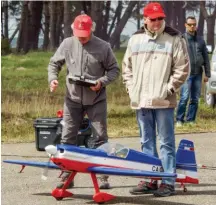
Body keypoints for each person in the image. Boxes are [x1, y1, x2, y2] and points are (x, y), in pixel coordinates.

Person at [122, 2, 190, 197]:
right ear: (145, 19)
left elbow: (183, 68)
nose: (157, 22)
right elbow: (127, 68)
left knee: (166, 142)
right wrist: (131, 89)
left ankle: (168, 181)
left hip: (163, 101)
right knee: (146, 142)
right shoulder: (135, 39)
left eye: (160, 18)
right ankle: (150, 180)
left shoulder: (174, 38)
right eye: (153, 19)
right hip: (141, 100)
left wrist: (168, 89)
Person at [48, 14, 119, 189]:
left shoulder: (103, 47)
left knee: (100, 137)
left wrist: (101, 82)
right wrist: (53, 79)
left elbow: (114, 70)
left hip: (96, 100)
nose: (81, 37)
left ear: (91, 30)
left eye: (84, 34)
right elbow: (54, 64)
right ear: (73, 29)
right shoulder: (67, 44)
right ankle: (67, 175)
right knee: (67, 137)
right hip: (72, 99)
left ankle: (103, 176)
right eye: (78, 33)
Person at [176, 16, 211, 126]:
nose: (192, 26)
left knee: (195, 98)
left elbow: (205, 57)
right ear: (185, 25)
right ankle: (179, 120)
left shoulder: (201, 40)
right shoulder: (181, 39)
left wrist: (207, 74)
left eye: (194, 24)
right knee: (184, 98)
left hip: (198, 74)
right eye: (190, 24)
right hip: (186, 74)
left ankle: (191, 120)